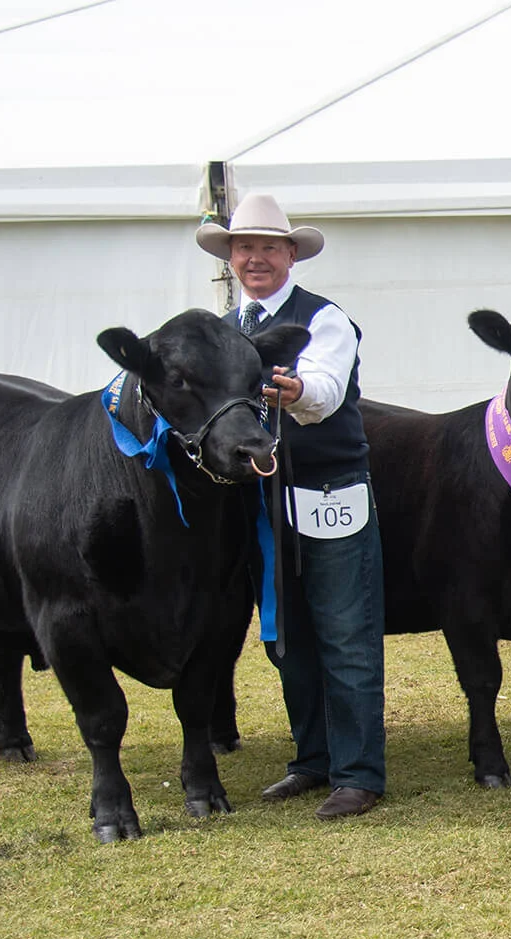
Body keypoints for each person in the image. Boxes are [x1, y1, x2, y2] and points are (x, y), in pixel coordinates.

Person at [195, 193, 386, 820]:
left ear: (289, 256)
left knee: (346, 633)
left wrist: (296, 389)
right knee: (287, 634)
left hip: (327, 488)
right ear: (230, 257)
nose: (255, 258)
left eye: (268, 248)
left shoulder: (324, 319)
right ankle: (313, 759)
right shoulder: (220, 332)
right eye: (244, 247)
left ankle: (358, 773)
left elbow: (326, 393)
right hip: (257, 502)